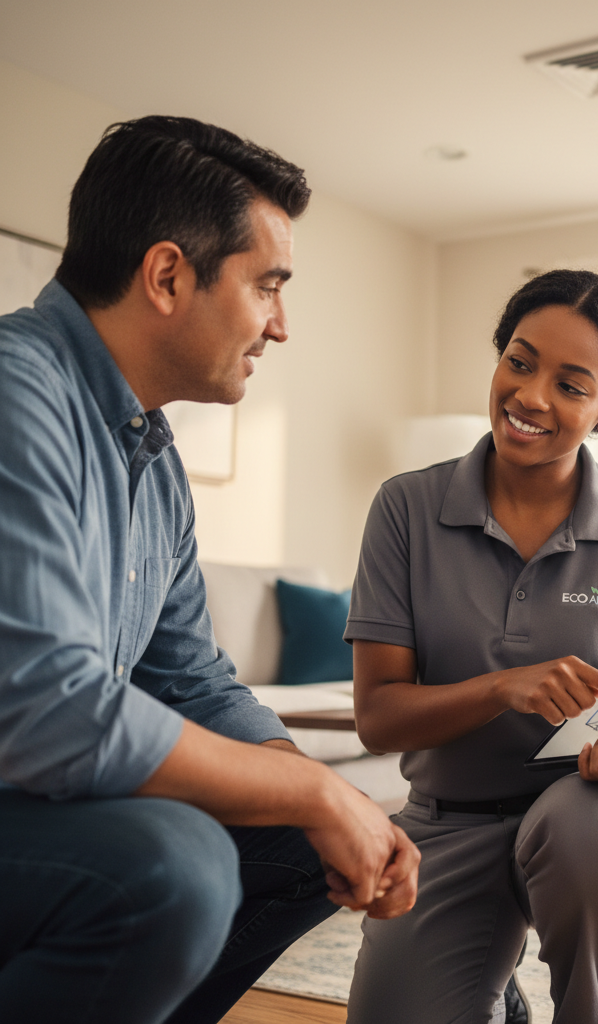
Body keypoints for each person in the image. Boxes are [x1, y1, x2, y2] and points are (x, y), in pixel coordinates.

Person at [0, 116, 418, 1024]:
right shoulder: (14, 392)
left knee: (322, 835)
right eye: (267, 285)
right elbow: (45, 711)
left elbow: (191, 678)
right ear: (166, 276)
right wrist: (308, 785)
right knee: (173, 865)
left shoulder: (153, 459)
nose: (280, 324)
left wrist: (323, 796)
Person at [343, 269, 598, 1024]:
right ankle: (492, 985)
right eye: (520, 360)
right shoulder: (406, 508)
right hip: (447, 824)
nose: (531, 396)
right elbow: (377, 718)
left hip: (591, 817)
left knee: (587, 825)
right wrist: (504, 687)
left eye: (572, 385)